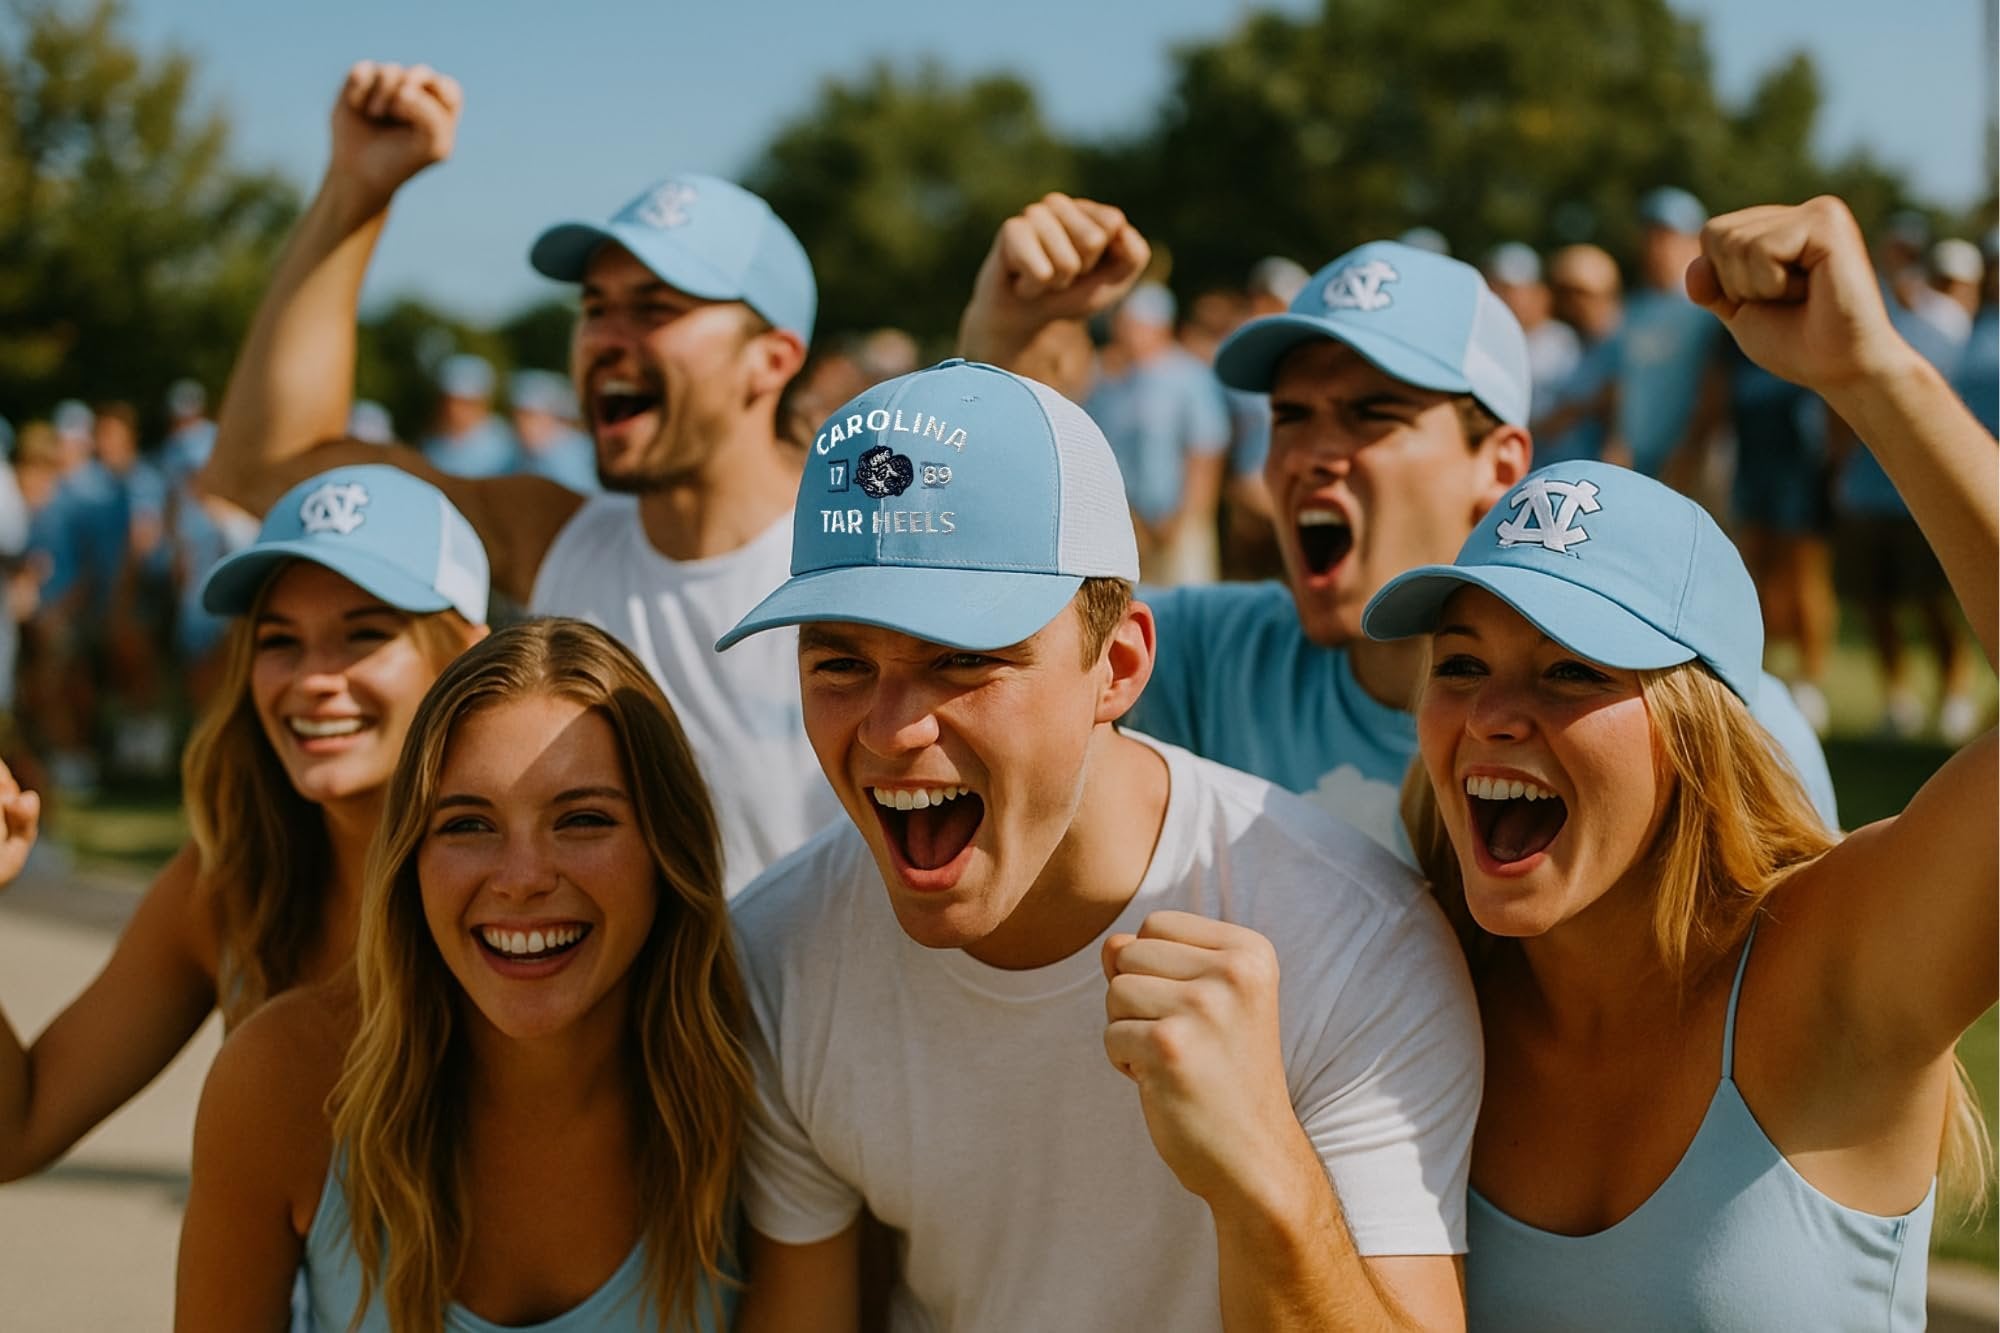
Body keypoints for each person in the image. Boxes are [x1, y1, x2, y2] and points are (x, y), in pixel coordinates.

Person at [723, 359, 1479, 1331]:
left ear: (1115, 666)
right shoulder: (781, 951)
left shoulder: (1352, 942)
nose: (888, 727)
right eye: (838, 661)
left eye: (963, 659)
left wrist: (1264, 1171)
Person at [1362, 196, 1995, 1331]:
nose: (1493, 713)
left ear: (1698, 734)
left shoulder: (1830, 974)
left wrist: (1874, 377)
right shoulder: (1403, 993)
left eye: (1571, 673)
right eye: (1459, 663)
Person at [957, 198, 1837, 855]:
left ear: (1499, 464)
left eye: (1373, 413)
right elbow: (976, 632)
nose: (1311, 453)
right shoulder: (1214, 657)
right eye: (1292, 415)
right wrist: (1000, 349)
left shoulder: (1690, 714)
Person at [198, 61, 839, 894]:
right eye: (594, 306)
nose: (607, 335)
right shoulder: (552, 538)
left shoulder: (857, 564)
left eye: (654, 308)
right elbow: (263, 467)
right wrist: (356, 193)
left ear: (773, 358)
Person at [177, 618, 746, 1332]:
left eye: (583, 819)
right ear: (410, 858)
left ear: (668, 847)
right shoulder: (283, 1079)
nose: (522, 879)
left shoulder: (758, 1068)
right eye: (467, 825)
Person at [0, 463, 487, 1184]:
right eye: (280, 640)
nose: (314, 678)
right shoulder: (227, 878)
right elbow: (20, 1126)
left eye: (363, 635)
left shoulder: (539, 882)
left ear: (466, 655)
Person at [1084, 282, 1231, 584]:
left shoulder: (1189, 377)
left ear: (1159, 326)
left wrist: (1186, 518)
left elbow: (1206, 452)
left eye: (1135, 326)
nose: (1126, 334)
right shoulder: (1111, 382)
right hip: (1130, 526)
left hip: (1181, 524)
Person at [420, 352, 520, 479]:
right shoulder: (431, 444)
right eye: (450, 401)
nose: (454, 410)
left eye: (466, 403)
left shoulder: (508, 446)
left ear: (485, 402)